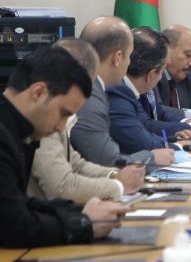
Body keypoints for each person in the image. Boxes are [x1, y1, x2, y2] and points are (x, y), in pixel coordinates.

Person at [0, 46, 130, 247]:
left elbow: (21, 204)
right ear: (38, 93)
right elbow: (14, 227)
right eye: (63, 113)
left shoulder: (19, 130)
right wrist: (84, 224)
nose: (61, 127)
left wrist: (80, 213)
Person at [29, 39, 144, 204]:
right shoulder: (42, 119)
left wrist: (115, 175)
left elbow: (76, 165)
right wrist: (118, 186)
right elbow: (62, 186)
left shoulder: (53, 111)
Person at [71, 17, 174, 167]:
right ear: (118, 58)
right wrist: (151, 158)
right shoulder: (90, 96)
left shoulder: (92, 87)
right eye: (129, 55)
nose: (130, 63)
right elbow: (108, 160)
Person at [108, 27, 191, 155]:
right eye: (162, 72)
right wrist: (178, 146)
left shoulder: (135, 88)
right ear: (151, 75)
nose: (162, 77)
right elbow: (141, 137)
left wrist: (175, 135)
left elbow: (159, 114)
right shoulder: (118, 92)